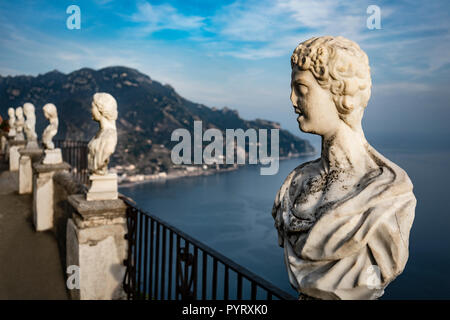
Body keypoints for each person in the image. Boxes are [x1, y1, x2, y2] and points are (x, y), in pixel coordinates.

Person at [272, 36, 416, 300]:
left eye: (301, 89)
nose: (292, 99)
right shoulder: (295, 183)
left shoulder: (390, 194)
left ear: (341, 95)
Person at [87, 92, 118, 175]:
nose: (91, 110)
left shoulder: (109, 136)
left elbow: (108, 149)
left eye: (93, 107)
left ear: (101, 109)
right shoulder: (101, 133)